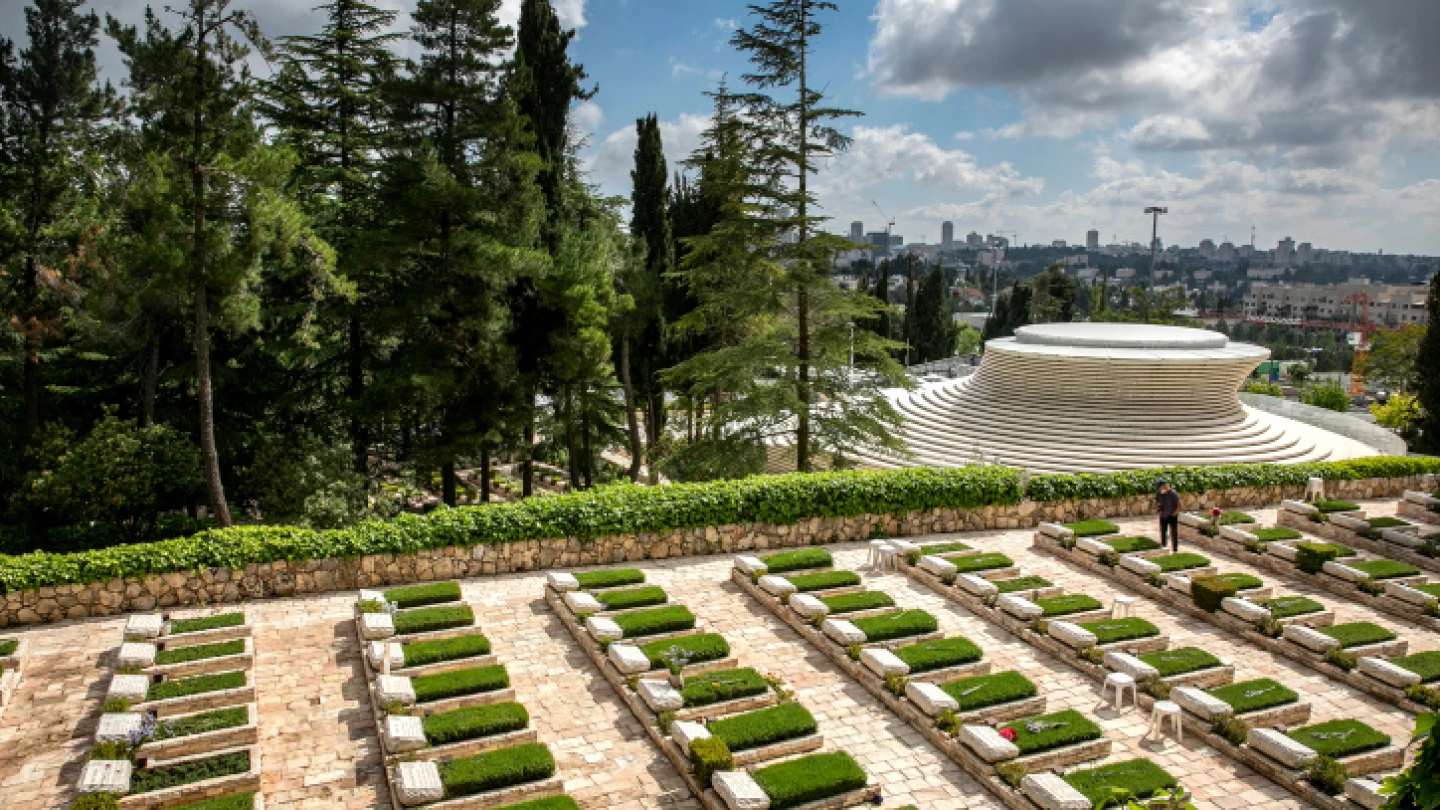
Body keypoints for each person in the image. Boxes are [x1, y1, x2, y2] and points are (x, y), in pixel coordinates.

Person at [1157, 480, 1181, 552]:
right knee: (1163, 532)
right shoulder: (1159, 493)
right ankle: (1164, 547)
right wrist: (1159, 509)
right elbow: (1157, 501)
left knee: (1173, 533)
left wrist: (1174, 513)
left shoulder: (1173, 494)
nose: (1159, 489)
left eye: (1160, 487)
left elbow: (1179, 504)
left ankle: (1175, 549)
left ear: (1164, 486)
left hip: (1172, 516)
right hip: (1163, 515)